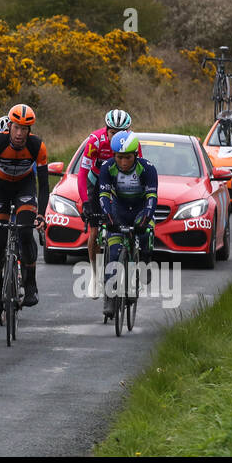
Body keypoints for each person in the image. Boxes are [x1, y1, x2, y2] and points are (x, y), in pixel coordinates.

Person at [0, 103, 49, 314]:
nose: (20, 133)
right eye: (16, 128)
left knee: (25, 231)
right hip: (0, 188)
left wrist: (41, 214)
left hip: (24, 186)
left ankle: (30, 284)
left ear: (30, 130)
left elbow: (44, 184)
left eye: (25, 129)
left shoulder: (37, 146)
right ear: (9, 126)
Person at [76, 109, 141, 300]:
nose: (117, 138)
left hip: (120, 183)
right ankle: (95, 276)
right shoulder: (95, 141)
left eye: (122, 133)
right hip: (97, 182)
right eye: (113, 133)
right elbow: (82, 173)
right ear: (106, 131)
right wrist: (86, 203)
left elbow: (141, 171)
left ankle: (129, 253)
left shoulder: (133, 144)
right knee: (94, 231)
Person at [92, 132, 158, 320]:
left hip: (140, 209)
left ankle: (144, 262)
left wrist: (146, 217)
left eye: (127, 158)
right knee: (114, 252)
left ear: (135, 155)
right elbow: (103, 196)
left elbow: (152, 197)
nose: (123, 162)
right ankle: (110, 298)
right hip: (118, 210)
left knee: (145, 235)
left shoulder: (147, 169)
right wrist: (108, 216)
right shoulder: (107, 167)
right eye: (119, 157)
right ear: (114, 155)